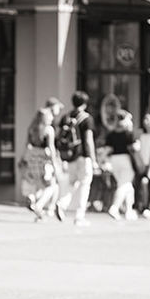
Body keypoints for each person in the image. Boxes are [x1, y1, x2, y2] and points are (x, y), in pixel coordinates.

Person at [56, 90, 97, 227]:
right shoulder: (86, 118)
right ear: (85, 103)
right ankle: (80, 217)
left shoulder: (66, 117)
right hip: (83, 157)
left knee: (72, 184)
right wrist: (93, 159)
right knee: (84, 185)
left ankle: (61, 204)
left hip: (69, 156)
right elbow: (88, 140)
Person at [20, 97, 63, 221]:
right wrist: (55, 163)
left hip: (32, 159)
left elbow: (27, 145)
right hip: (45, 161)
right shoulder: (49, 130)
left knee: (39, 184)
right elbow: (51, 148)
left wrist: (24, 159)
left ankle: (33, 199)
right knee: (52, 186)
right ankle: (39, 205)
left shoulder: (32, 129)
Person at [105, 110, 139, 221]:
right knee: (124, 185)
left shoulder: (111, 134)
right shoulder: (128, 133)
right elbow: (135, 147)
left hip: (114, 160)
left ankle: (129, 211)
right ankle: (114, 207)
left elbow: (107, 150)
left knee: (127, 186)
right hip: (126, 160)